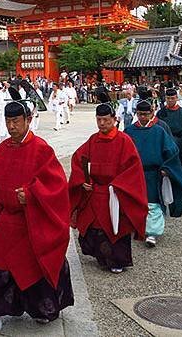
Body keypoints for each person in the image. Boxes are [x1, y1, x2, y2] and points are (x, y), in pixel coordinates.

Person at [0, 97, 74, 335]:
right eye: (8, 121)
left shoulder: (42, 150)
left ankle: (44, 309)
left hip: (31, 221)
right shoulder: (0, 151)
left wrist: (33, 195)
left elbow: (55, 185)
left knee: (34, 264)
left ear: (28, 120)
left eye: (16, 121)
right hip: (6, 220)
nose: (11, 126)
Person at [69, 96, 148, 273]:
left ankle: (117, 261)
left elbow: (133, 169)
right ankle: (101, 258)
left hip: (115, 193)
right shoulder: (92, 140)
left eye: (106, 120)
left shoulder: (124, 141)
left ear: (114, 119)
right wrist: (83, 180)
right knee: (95, 228)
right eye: (99, 120)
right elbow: (78, 160)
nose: (102, 123)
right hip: (95, 191)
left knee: (114, 229)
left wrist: (118, 186)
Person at [125, 98, 182, 247]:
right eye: (140, 114)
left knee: (153, 202)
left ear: (152, 113)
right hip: (135, 172)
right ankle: (138, 226)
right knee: (136, 201)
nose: (143, 117)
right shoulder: (129, 131)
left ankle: (152, 232)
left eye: (146, 114)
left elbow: (172, 151)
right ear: (136, 113)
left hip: (153, 173)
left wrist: (167, 168)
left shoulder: (159, 130)